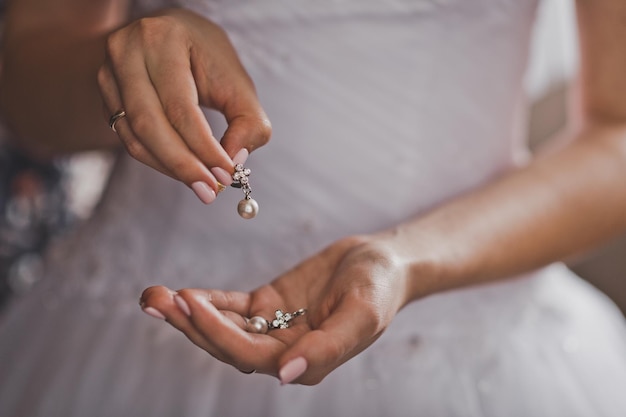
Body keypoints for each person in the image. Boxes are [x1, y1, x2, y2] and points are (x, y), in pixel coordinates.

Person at [1, 0, 626, 416]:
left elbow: (616, 135)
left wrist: (407, 260)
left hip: (465, 325)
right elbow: (28, 90)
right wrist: (126, 67)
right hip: (134, 321)